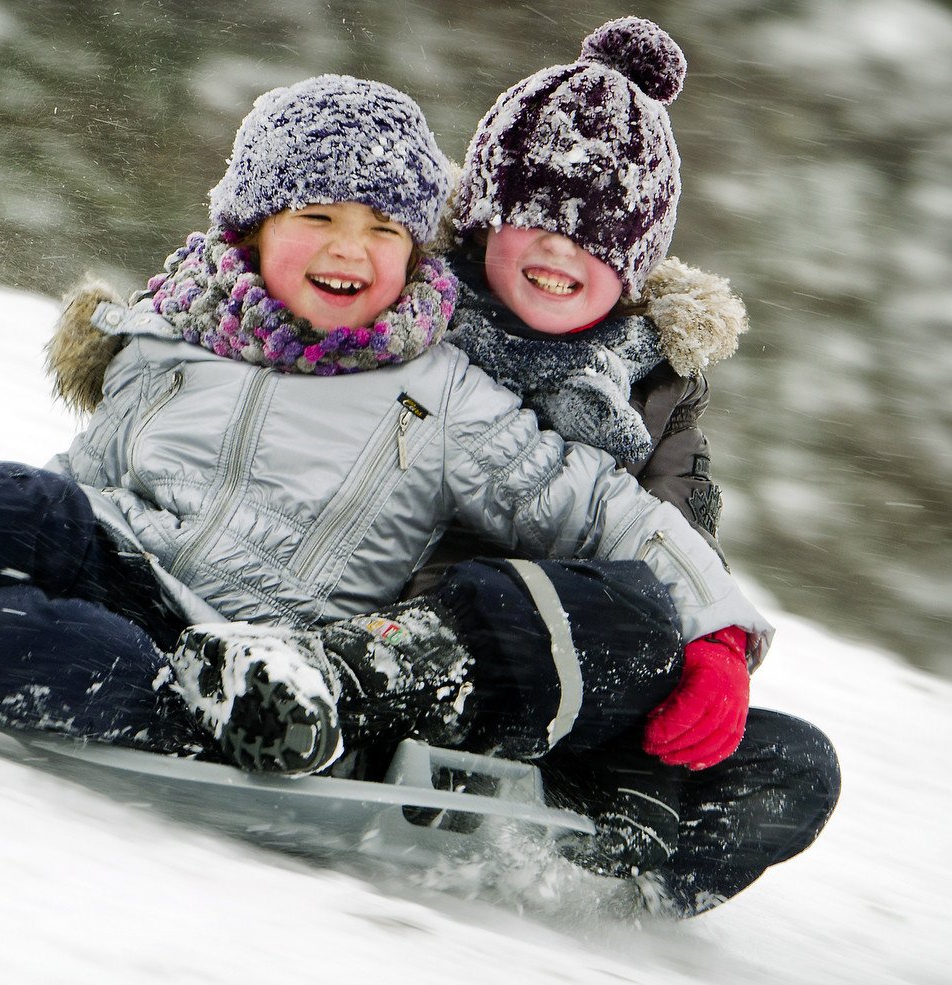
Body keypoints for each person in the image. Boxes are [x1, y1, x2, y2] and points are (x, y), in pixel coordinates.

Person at [0, 71, 789, 913]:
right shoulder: (172, 327)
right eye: (315, 214)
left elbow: (624, 520)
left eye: (384, 228)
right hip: (103, 535)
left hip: (236, 641)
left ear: (422, 253)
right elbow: (81, 481)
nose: (350, 249)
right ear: (246, 226)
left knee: (58, 648)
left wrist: (720, 635)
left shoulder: (449, 391)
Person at [146, 19, 836, 916]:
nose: (559, 251)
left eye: (595, 236)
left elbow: (676, 536)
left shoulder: (656, 389)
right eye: (532, 221)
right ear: (481, 219)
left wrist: (716, 650)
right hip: (382, 618)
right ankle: (327, 703)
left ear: (633, 267)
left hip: (571, 667)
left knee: (792, 764)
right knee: (550, 601)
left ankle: (585, 855)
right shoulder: (408, 308)